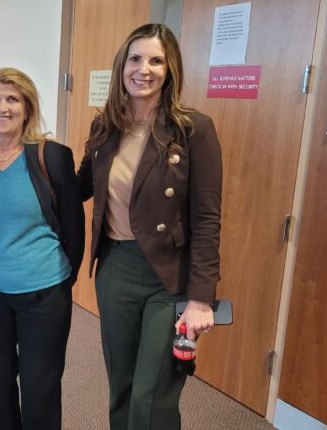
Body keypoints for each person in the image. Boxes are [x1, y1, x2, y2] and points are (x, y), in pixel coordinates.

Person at [77, 23, 222, 429]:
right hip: (115, 268)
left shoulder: (193, 129)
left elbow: (207, 218)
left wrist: (201, 298)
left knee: (152, 394)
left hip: (168, 276)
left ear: (170, 69)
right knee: (122, 386)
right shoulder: (105, 126)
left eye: (156, 60)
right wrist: (29, 153)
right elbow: (79, 186)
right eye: (136, 59)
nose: (144, 69)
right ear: (122, 65)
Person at [0, 68, 85, 430]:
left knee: (39, 387)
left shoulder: (51, 156)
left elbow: (74, 228)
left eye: (13, 99)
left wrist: (61, 279)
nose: (3, 107)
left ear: (27, 108)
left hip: (44, 293)